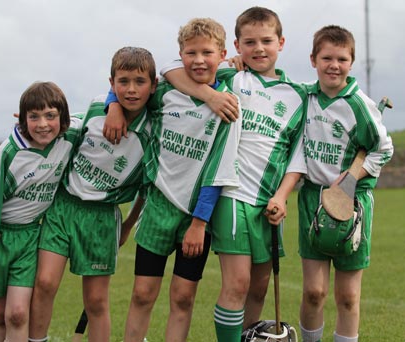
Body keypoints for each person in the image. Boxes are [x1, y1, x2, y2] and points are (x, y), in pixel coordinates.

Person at [161, 7, 308, 341]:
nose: (259, 48)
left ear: (281, 42)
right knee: (237, 284)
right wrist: (209, 93)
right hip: (231, 194)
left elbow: (297, 155)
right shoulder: (230, 77)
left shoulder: (299, 95)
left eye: (266, 41)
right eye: (250, 42)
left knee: (259, 288)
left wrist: (282, 197)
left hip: (269, 201)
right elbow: (170, 67)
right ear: (237, 45)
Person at [104, 18, 242, 341]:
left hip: (195, 217)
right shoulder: (165, 91)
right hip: (157, 209)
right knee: (142, 294)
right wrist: (112, 105)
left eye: (207, 52)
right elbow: (132, 89)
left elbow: (220, 168)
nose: (198, 60)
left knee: (182, 297)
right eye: (190, 52)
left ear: (221, 54)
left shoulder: (229, 103)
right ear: (180, 54)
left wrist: (200, 222)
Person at [26, 47, 157, 342]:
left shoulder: (153, 130)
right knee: (45, 283)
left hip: (102, 218)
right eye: (123, 82)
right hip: (64, 207)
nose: (131, 90)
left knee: (96, 301)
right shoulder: (98, 107)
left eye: (139, 81)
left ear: (154, 84)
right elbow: (60, 138)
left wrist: (127, 226)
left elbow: (146, 190)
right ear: (111, 83)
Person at [0, 81, 79, 342]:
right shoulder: (10, 151)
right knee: (1, 314)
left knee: (17, 314)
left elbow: (93, 116)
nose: (43, 124)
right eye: (34, 117)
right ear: (23, 119)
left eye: (50, 116)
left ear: (63, 117)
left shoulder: (68, 138)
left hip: (29, 239)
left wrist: (114, 106)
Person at [296, 25, 393, 342]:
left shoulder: (360, 105)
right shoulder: (304, 96)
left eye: (341, 58)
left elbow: (384, 149)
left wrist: (353, 176)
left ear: (351, 62)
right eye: (326, 58)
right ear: (313, 60)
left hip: (353, 205)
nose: (333, 65)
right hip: (313, 199)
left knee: (348, 296)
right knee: (313, 292)